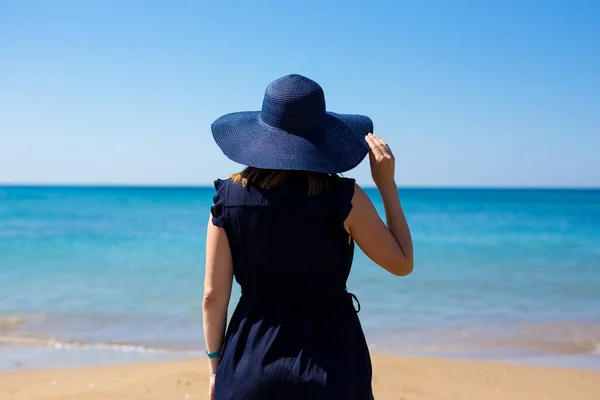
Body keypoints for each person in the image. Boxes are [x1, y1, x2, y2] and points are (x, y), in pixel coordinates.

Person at [202, 74, 413, 399]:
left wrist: (216, 366)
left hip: (249, 366)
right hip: (333, 363)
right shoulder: (344, 197)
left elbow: (213, 297)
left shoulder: (228, 199)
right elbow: (401, 262)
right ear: (320, 137)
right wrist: (386, 184)